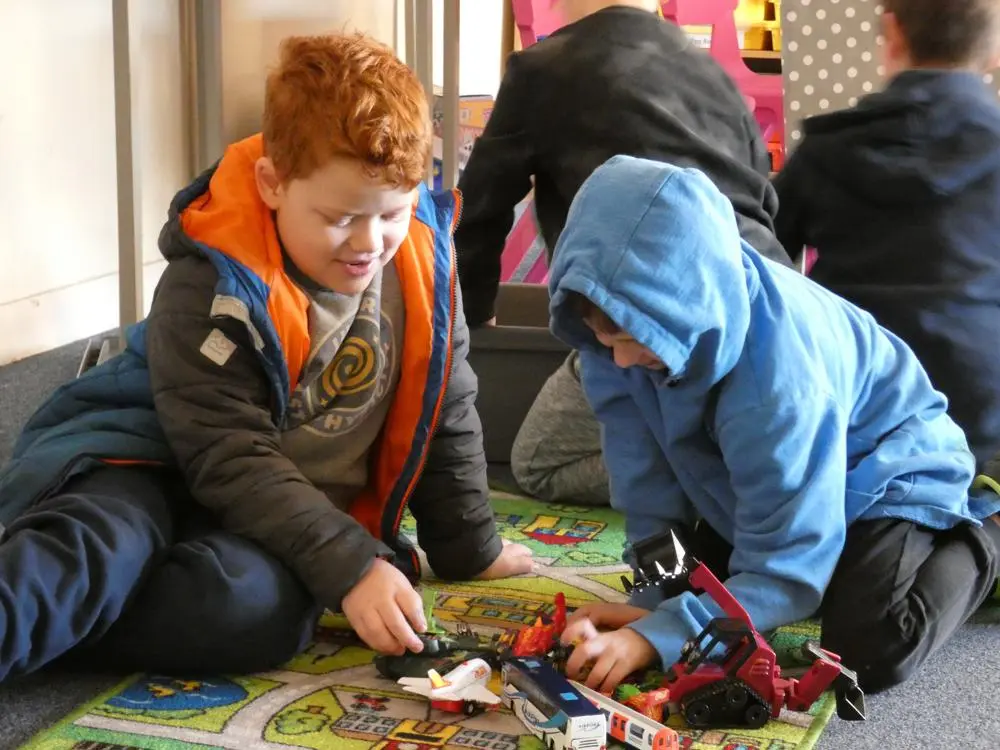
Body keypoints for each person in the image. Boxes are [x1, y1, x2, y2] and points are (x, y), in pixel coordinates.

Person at [0, 33, 532, 683]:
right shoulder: (210, 281)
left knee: (255, 613)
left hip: (268, 510)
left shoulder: (423, 265)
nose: (369, 243)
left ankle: (75, 618)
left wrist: (470, 548)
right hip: (147, 460)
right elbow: (228, 454)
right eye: (340, 217)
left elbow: (444, 407)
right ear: (272, 183)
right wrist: (351, 563)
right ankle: (61, 601)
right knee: (94, 550)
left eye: (393, 213)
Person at [543, 155, 1000, 695]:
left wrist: (659, 637)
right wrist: (652, 601)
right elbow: (644, 482)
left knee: (868, 648)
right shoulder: (612, 343)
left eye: (632, 341)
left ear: (687, 308)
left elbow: (786, 571)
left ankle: (989, 533)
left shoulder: (778, 383)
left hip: (891, 469)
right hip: (778, 471)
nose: (619, 360)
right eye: (606, 340)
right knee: (696, 589)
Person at [455, 0, 792, 505]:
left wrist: (474, 318)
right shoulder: (708, 69)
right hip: (763, 295)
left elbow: (479, 209)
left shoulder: (542, 69)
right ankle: (738, 458)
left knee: (539, 462)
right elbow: (761, 195)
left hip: (645, 310)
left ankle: (711, 472)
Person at [773, 0, 1000, 467]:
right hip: (981, 404)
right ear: (995, 49)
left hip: (855, 392)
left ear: (892, 33)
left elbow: (764, 264)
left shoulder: (825, 148)